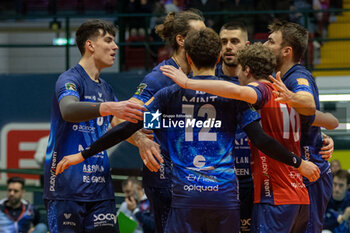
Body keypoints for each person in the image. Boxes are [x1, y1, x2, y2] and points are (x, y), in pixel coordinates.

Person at [55, 28, 320, 233]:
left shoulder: (169, 96)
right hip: (225, 199)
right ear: (218, 58)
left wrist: (83, 154)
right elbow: (261, 140)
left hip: (186, 199)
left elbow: (128, 127)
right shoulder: (232, 99)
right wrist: (298, 163)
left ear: (188, 58)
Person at [161, 41, 338, 232]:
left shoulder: (262, 92)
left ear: (247, 70)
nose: (236, 76)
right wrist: (323, 136)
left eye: (238, 71)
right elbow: (331, 121)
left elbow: (239, 94)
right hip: (300, 197)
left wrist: (187, 82)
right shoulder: (288, 96)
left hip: (274, 195)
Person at [43, 19, 146, 233]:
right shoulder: (70, 78)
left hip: (101, 191)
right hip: (66, 189)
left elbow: (119, 124)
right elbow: (69, 110)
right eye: (108, 40)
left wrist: (143, 141)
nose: (115, 47)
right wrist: (109, 107)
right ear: (90, 45)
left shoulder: (106, 88)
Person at [121, 10, 205, 233]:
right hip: (167, 179)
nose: (205, 40)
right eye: (200, 35)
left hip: (198, 176)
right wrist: (142, 140)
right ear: (181, 39)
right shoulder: (160, 78)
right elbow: (118, 119)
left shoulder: (204, 74)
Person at [264, 19, 335, 233]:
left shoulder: (298, 76)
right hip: (291, 174)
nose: (265, 45)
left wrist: (289, 96)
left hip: (311, 175)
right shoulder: (279, 76)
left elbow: (308, 103)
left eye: (270, 41)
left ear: (286, 51)